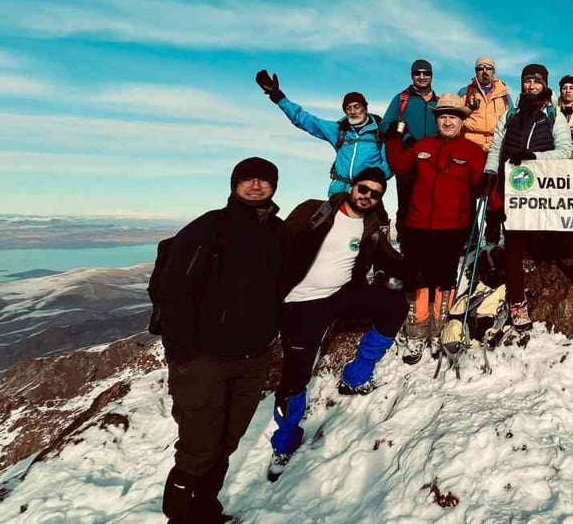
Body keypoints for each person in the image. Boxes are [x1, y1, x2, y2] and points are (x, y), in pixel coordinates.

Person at [152, 157, 285, 524]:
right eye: (247, 179)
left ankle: (207, 511)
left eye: (264, 180)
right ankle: (179, 518)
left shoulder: (277, 231)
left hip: (254, 357)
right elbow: (172, 290)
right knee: (198, 447)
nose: (256, 186)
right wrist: (183, 353)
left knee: (226, 443)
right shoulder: (210, 227)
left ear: (274, 186)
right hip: (205, 359)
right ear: (233, 184)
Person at [268, 168, 408, 477]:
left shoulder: (370, 225)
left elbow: (389, 257)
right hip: (301, 302)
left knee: (394, 305)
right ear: (351, 186)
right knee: (296, 374)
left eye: (375, 193)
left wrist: (421, 271)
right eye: (363, 188)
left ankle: (356, 376)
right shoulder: (314, 210)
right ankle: (285, 440)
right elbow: (276, 244)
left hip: (342, 294)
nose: (367, 196)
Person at [485, 64, 573, 328]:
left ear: (544, 84)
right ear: (522, 84)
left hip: (547, 189)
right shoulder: (510, 115)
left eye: (536, 82)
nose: (531, 86)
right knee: (514, 246)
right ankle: (517, 302)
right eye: (527, 81)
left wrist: (535, 157)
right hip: (515, 189)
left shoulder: (553, 115)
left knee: (572, 238)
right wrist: (490, 171)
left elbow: (565, 150)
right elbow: (497, 146)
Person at [384, 93, 488, 364]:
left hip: (452, 226)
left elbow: (482, 187)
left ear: (462, 120)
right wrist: (394, 138)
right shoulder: (422, 146)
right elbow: (399, 165)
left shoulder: (474, 153)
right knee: (417, 278)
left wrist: (493, 183)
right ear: (437, 119)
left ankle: (440, 328)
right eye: (443, 116)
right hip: (418, 223)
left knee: (444, 277)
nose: (447, 121)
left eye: (453, 116)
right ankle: (417, 331)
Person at [255, 70, 390, 196]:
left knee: (377, 221)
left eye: (357, 107)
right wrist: (280, 98)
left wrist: (373, 181)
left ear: (365, 108)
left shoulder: (381, 131)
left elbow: (389, 164)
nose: (353, 111)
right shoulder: (338, 130)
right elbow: (304, 120)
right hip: (339, 192)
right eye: (348, 108)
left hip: (367, 193)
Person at [382, 59, 439, 226]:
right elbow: (385, 125)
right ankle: (405, 244)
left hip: (434, 162)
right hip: (408, 160)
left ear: (431, 76)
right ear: (412, 75)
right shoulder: (402, 99)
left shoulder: (439, 102)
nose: (422, 77)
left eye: (426, 73)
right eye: (417, 73)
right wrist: (405, 136)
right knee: (407, 204)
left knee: (433, 203)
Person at [459, 56, 511, 151]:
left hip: (497, 145)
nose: (484, 71)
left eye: (488, 68)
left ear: (494, 71)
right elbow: (455, 117)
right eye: (480, 68)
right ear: (476, 72)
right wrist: (469, 109)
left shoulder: (504, 95)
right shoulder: (465, 92)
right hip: (470, 144)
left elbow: (511, 120)